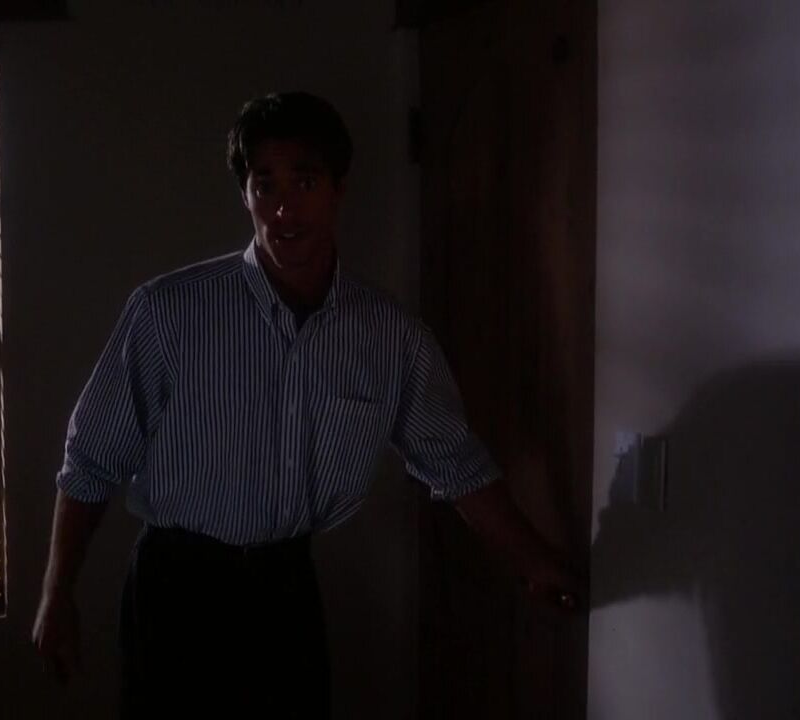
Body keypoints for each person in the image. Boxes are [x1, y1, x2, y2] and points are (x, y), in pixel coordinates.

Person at [32, 91, 582, 719]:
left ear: (338, 189)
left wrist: (535, 563)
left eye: (305, 181)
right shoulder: (169, 312)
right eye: (264, 184)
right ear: (245, 196)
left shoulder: (389, 337)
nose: (284, 208)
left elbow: (454, 461)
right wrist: (57, 592)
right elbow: (92, 459)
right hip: (176, 590)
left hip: (285, 590)